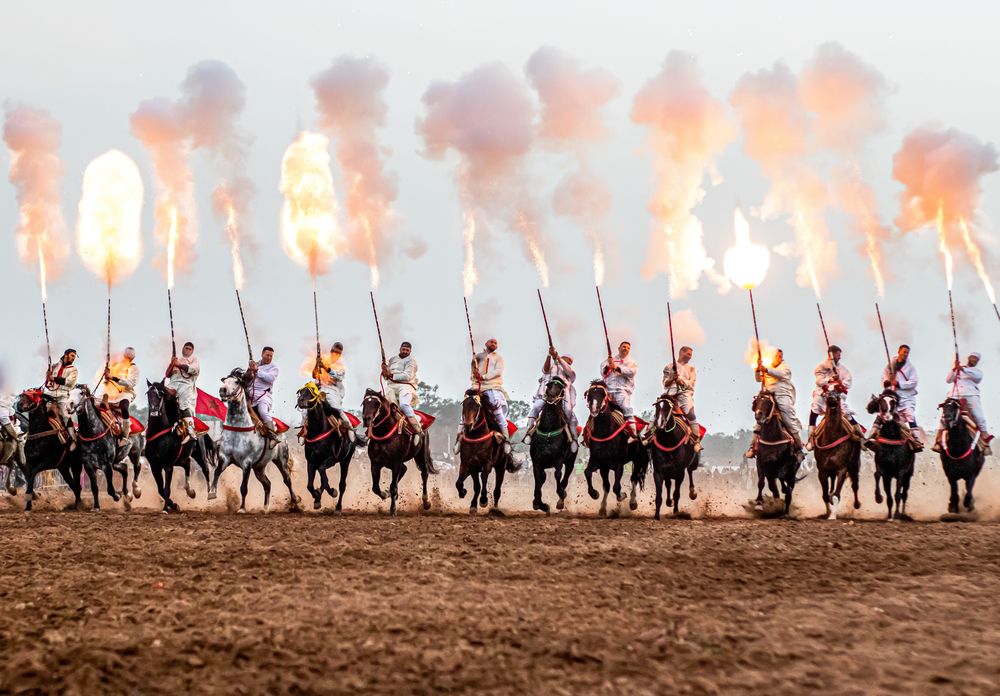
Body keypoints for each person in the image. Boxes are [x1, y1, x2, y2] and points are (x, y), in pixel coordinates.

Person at [745, 348, 804, 459]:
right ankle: (753, 447)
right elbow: (758, 379)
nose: (780, 358)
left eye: (781, 356)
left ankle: (798, 447)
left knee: (788, 419)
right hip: (768, 395)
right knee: (760, 416)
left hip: (782, 395)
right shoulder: (766, 366)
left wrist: (766, 369)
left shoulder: (784, 367)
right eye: (777, 356)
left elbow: (781, 374)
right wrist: (758, 369)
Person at [865, 344, 923, 451]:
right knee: (881, 414)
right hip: (892, 397)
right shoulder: (890, 365)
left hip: (906, 399)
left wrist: (899, 383)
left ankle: (916, 440)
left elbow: (914, 382)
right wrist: (887, 381)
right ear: (899, 351)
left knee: (910, 415)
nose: (905, 354)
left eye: (907, 353)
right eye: (904, 352)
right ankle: (871, 436)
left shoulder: (911, 368)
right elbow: (884, 376)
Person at [934, 352, 993, 455]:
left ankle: (985, 438)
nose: (974, 360)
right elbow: (948, 380)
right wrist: (954, 369)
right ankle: (938, 441)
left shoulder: (977, 371)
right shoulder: (959, 368)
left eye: (976, 359)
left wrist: (962, 369)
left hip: (971, 394)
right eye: (972, 358)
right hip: (955, 394)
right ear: (969, 358)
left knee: (979, 416)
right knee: (945, 416)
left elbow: (977, 378)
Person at [808, 345, 863, 450]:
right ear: (831, 355)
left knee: (846, 413)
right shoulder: (821, 367)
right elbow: (819, 381)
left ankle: (861, 437)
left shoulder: (844, 369)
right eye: (838, 355)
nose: (840, 357)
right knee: (814, 411)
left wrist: (839, 382)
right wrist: (830, 380)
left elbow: (848, 383)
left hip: (836, 395)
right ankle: (810, 440)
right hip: (822, 395)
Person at [524, 347, 578, 451]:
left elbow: (569, 371)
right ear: (562, 357)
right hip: (545, 395)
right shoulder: (551, 367)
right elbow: (544, 369)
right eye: (568, 360)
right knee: (536, 407)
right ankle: (528, 432)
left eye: (570, 362)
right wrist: (549, 355)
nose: (569, 363)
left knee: (569, 412)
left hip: (562, 397)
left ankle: (573, 439)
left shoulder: (570, 373)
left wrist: (558, 357)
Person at [313, 342, 358, 438]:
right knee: (307, 407)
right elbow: (314, 375)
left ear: (340, 354)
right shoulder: (323, 360)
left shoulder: (341, 365)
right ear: (331, 351)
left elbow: (339, 377)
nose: (335, 354)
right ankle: (304, 430)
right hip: (319, 389)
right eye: (333, 351)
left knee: (335, 407)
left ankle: (349, 428)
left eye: (337, 353)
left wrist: (325, 368)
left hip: (332, 390)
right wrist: (317, 363)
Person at [660, 346, 701, 452]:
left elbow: (692, 383)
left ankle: (696, 440)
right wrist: (672, 379)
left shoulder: (691, 368)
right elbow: (665, 383)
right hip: (670, 394)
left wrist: (681, 381)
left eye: (691, 355)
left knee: (690, 414)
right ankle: (649, 436)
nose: (690, 357)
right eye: (688, 354)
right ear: (681, 352)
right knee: (658, 413)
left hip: (685, 394)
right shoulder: (669, 367)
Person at [97, 346, 139, 446]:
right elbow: (107, 381)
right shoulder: (116, 365)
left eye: (129, 356)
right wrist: (107, 375)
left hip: (126, 393)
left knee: (124, 406)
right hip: (112, 393)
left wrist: (112, 377)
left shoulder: (134, 368)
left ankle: (125, 435)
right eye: (126, 355)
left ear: (132, 358)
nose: (127, 357)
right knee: (93, 403)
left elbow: (130, 383)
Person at [382, 341, 422, 442]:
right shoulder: (392, 359)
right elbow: (386, 377)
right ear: (400, 349)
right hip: (391, 386)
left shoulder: (412, 361)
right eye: (403, 349)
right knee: (382, 405)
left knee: (404, 405)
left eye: (407, 350)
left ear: (410, 351)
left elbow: (407, 376)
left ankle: (417, 429)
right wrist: (384, 371)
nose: (405, 351)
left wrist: (391, 375)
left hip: (405, 386)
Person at [471, 338, 509, 442]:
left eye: (495, 343)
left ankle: (506, 441)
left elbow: (498, 371)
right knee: (467, 411)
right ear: (486, 343)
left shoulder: (499, 358)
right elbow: (473, 373)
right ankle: (459, 440)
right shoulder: (478, 357)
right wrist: (475, 372)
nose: (494, 344)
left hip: (492, 388)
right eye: (491, 342)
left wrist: (483, 377)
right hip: (477, 388)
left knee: (498, 413)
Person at [599, 341, 638, 440]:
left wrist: (617, 367)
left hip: (622, 391)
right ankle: (589, 434)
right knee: (597, 407)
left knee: (626, 408)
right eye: (624, 347)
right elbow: (603, 372)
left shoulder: (631, 362)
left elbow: (632, 372)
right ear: (619, 348)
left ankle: (633, 434)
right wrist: (608, 366)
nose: (626, 349)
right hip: (608, 391)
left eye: (628, 348)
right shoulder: (608, 360)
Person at [166, 342, 200, 441]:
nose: (187, 350)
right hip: (172, 384)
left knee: (183, 405)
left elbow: (194, 370)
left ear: (192, 351)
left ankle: (191, 431)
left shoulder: (194, 359)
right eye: (186, 348)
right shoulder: (177, 359)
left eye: (190, 349)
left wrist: (179, 365)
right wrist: (172, 364)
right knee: (159, 397)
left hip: (186, 385)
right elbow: (167, 374)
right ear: (182, 348)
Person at [44, 348, 79, 441]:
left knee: (66, 416)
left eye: (74, 357)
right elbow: (48, 382)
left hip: (63, 396)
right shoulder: (54, 366)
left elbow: (70, 382)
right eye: (72, 355)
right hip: (49, 395)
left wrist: (54, 379)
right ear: (65, 355)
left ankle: (73, 439)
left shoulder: (73, 370)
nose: (73, 358)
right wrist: (48, 378)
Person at [247, 346, 279, 439]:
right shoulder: (255, 364)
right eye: (267, 355)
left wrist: (257, 370)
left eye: (271, 356)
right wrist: (250, 370)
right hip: (250, 396)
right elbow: (246, 378)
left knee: (263, 412)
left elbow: (270, 378)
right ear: (262, 354)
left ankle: (273, 436)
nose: (269, 357)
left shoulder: (274, 368)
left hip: (264, 397)